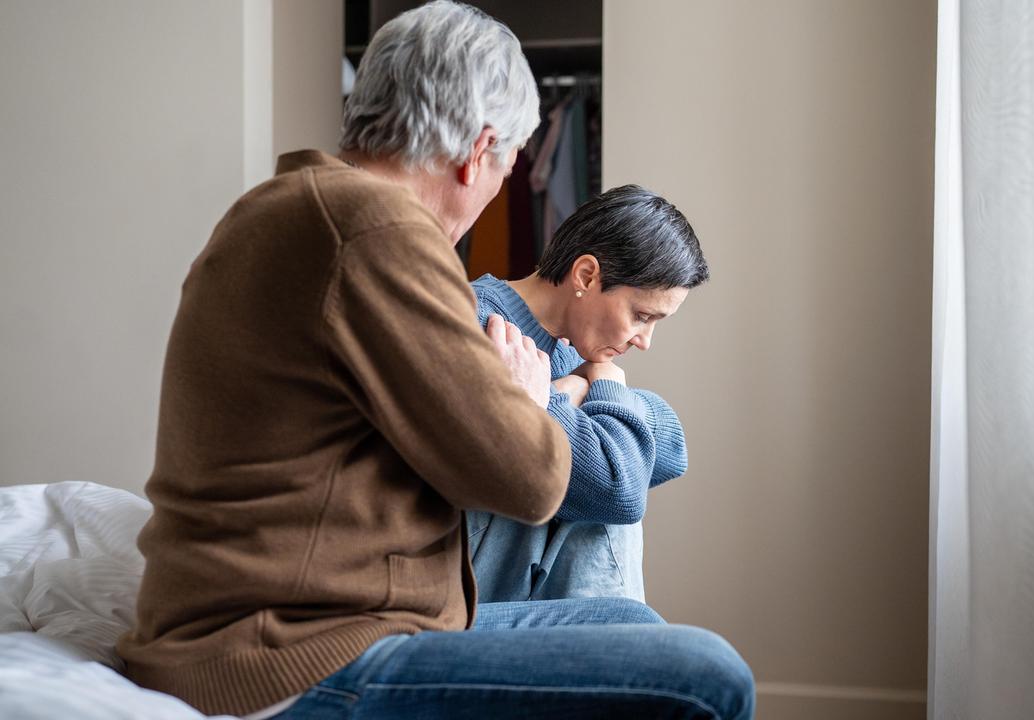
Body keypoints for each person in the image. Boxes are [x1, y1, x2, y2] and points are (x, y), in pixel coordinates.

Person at [114, 2, 754, 719]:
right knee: (708, 675)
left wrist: (551, 394)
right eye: (507, 167)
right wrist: (536, 401)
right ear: (478, 151)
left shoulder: (283, 207)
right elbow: (535, 476)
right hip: (290, 651)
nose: (494, 193)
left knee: (631, 630)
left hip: (308, 622)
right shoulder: (377, 232)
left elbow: (631, 447)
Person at [468, 184, 705, 604]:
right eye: (641, 316)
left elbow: (674, 448)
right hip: (467, 586)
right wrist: (597, 395)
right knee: (602, 492)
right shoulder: (483, 326)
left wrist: (577, 386)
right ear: (586, 276)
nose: (644, 341)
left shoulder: (567, 351)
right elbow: (620, 490)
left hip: (515, 580)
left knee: (610, 461)